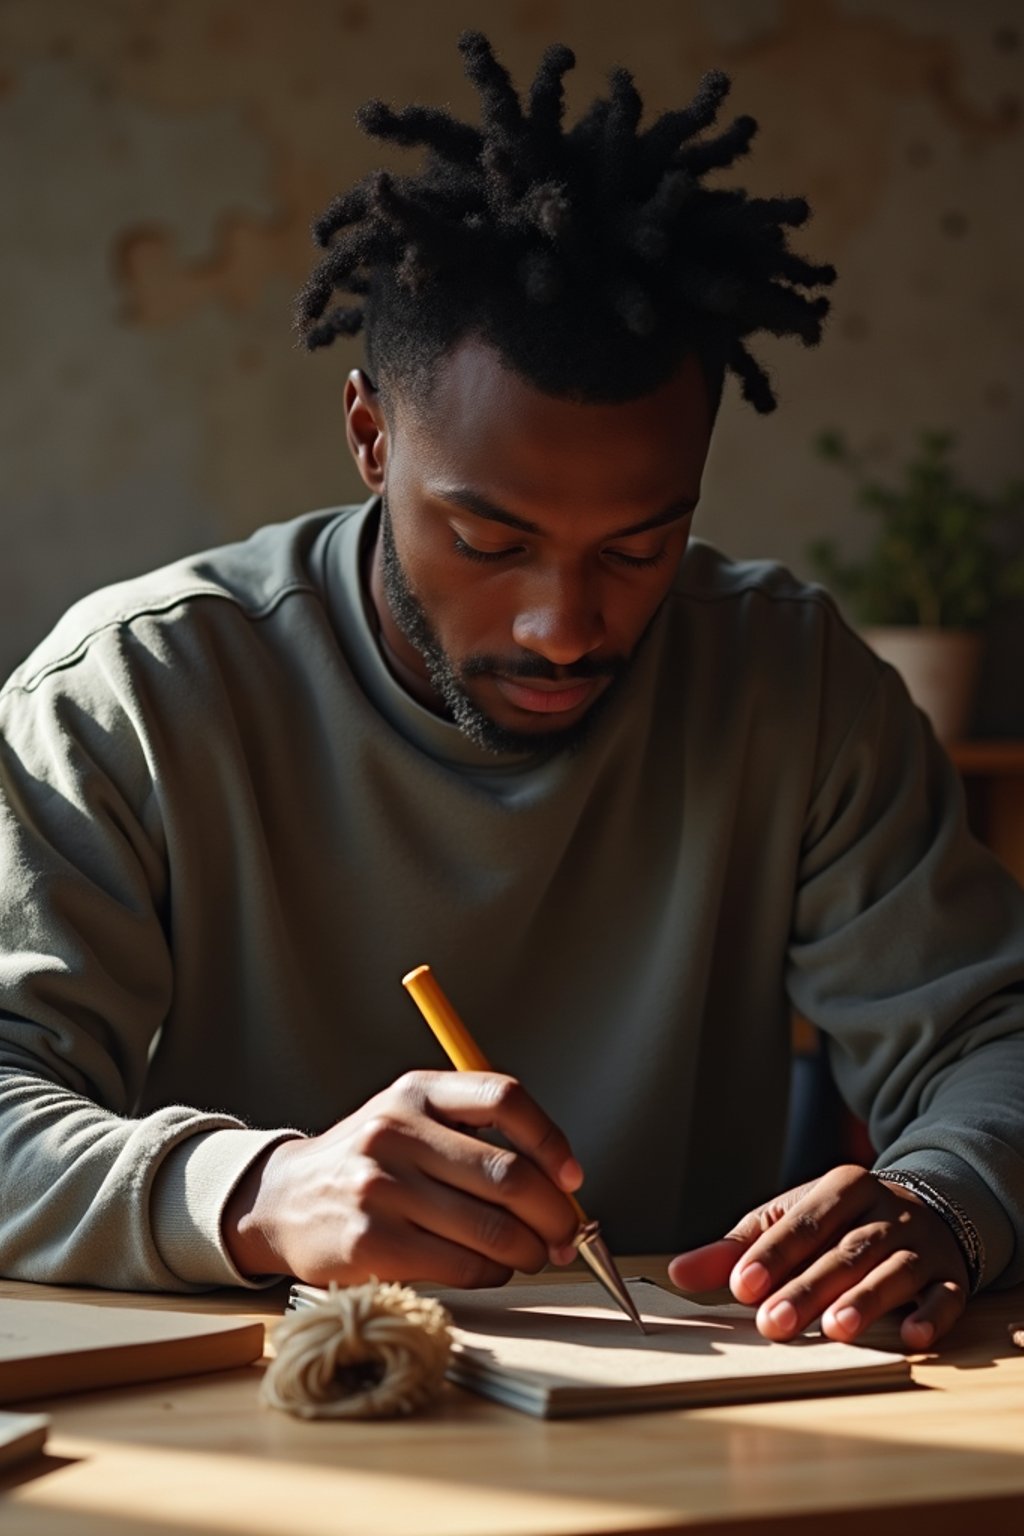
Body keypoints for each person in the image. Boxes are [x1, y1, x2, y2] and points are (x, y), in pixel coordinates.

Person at [2, 33, 1022, 1356]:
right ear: (370, 433)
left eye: (641, 546)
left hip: (691, 1424)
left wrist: (944, 1203)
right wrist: (257, 1192)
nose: (564, 624)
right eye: (489, 541)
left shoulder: (792, 684)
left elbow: (993, 1040)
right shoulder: (135, 690)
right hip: (256, 1421)